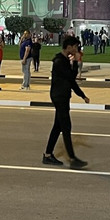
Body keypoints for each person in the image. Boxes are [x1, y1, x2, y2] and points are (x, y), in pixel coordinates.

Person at [42, 35, 90, 168]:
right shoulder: (59, 61)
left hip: (62, 96)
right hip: (59, 97)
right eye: (75, 47)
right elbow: (71, 77)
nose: (77, 49)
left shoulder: (63, 60)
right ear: (69, 47)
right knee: (66, 127)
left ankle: (47, 155)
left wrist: (83, 96)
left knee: (57, 127)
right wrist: (75, 62)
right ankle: (73, 159)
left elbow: (71, 82)